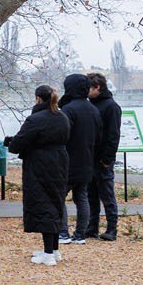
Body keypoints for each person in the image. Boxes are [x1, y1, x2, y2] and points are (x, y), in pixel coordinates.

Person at [4, 84, 71, 264]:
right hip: (60, 162)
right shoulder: (63, 117)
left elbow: (19, 143)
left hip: (39, 165)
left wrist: (9, 142)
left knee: (43, 204)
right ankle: (54, 250)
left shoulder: (36, 119)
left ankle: (48, 254)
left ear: (38, 99)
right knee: (56, 202)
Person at [60, 73, 98, 243]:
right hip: (87, 159)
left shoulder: (68, 110)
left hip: (68, 160)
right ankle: (80, 234)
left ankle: (63, 232)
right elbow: (99, 136)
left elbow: (62, 135)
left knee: (59, 196)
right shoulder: (94, 110)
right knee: (82, 197)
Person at [87, 71, 122, 240]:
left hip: (102, 158)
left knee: (107, 194)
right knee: (91, 194)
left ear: (97, 87)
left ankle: (111, 228)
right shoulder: (91, 105)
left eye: (89, 88)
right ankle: (92, 227)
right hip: (90, 156)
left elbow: (113, 135)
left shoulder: (111, 107)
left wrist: (107, 158)